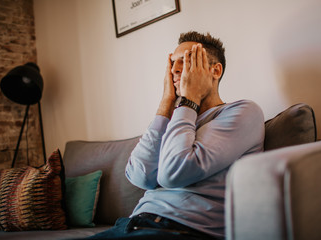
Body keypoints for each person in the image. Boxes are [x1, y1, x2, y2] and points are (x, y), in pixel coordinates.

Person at [87, 31, 264, 240]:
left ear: (215, 71)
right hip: (130, 224)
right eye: (172, 63)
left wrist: (188, 100)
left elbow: (172, 173)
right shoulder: (179, 121)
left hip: (180, 230)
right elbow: (139, 175)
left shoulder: (243, 112)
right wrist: (166, 103)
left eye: (186, 61)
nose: (174, 69)